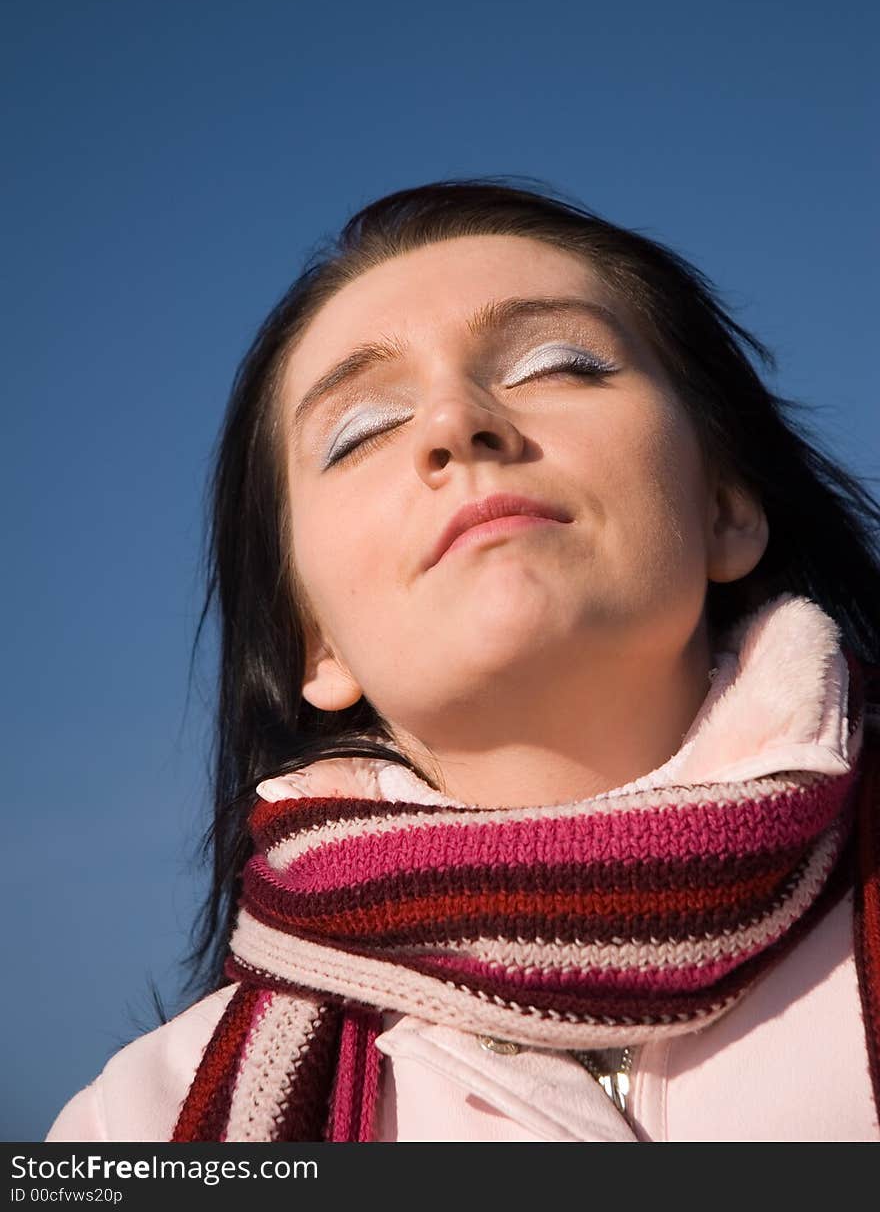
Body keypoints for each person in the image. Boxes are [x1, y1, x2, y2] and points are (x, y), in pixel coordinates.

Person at [46, 178, 880, 1143]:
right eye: (362, 429)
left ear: (727, 506)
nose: (456, 423)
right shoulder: (144, 1122)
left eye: (558, 362)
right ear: (314, 641)